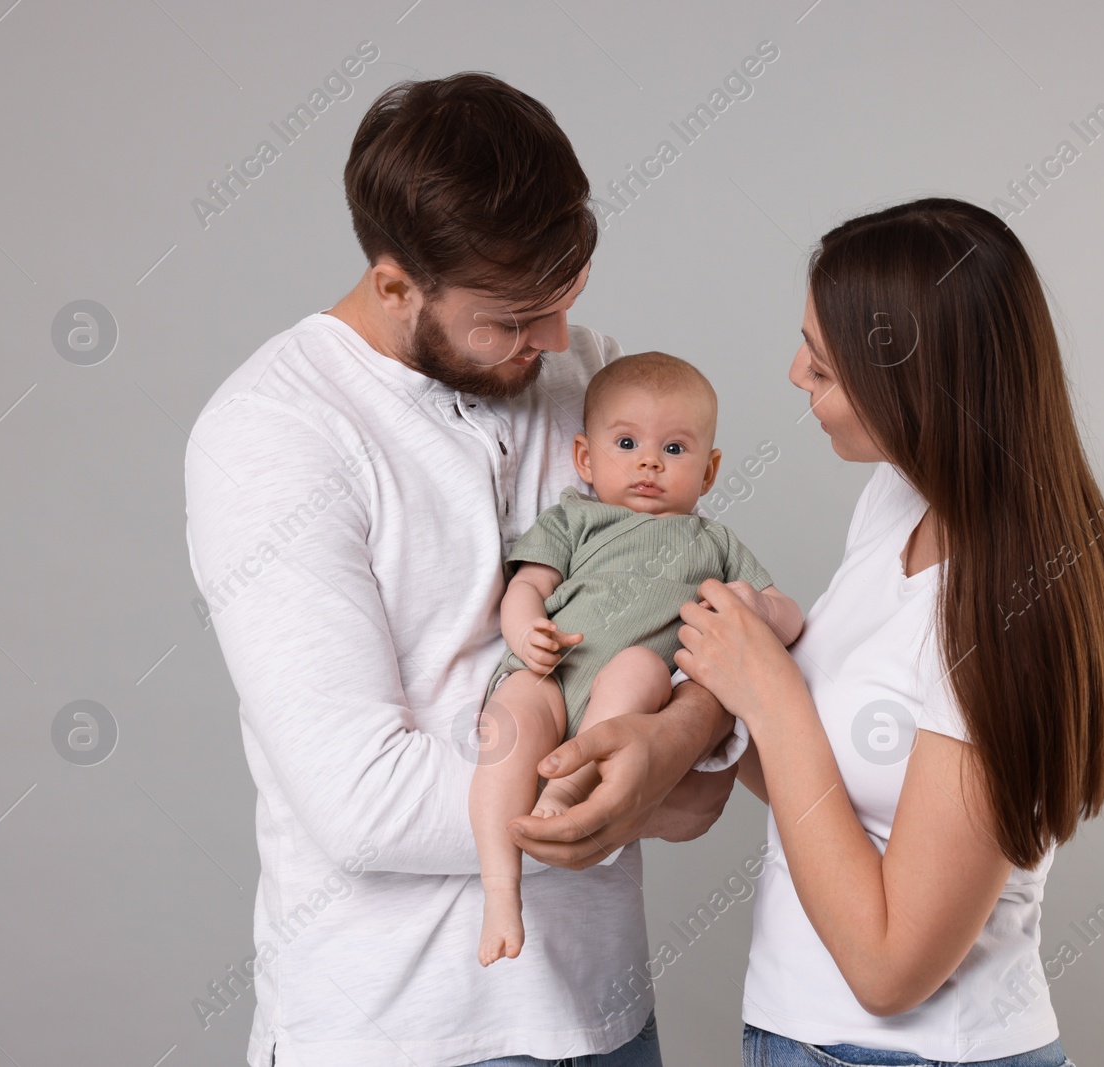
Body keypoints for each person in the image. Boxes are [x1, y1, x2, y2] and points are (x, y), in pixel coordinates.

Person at [184, 73, 745, 1067]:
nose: (558, 342)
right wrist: (658, 783)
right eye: (514, 318)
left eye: (565, 302)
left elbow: (695, 615)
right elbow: (360, 800)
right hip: (393, 1032)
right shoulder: (272, 430)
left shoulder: (590, 379)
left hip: (606, 1014)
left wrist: (685, 733)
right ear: (396, 283)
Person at [675, 198, 1104, 1067]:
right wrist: (704, 714)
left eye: (822, 366)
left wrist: (771, 700)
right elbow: (838, 798)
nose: (793, 375)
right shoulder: (896, 502)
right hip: (800, 1038)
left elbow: (890, 968)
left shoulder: (1009, 612)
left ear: (912, 388)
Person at [471, 352, 805, 967]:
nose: (649, 461)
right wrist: (526, 636)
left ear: (709, 471)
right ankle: (500, 891)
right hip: (552, 670)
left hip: (628, 698)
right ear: (585, 459)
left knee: (642, 670)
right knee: (508, 725)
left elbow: (790, 614)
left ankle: (569, 786)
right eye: (626, 443)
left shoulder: (714, 541)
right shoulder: (574, 517)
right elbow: (526, 587)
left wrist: (757, 606)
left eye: (675, 450)